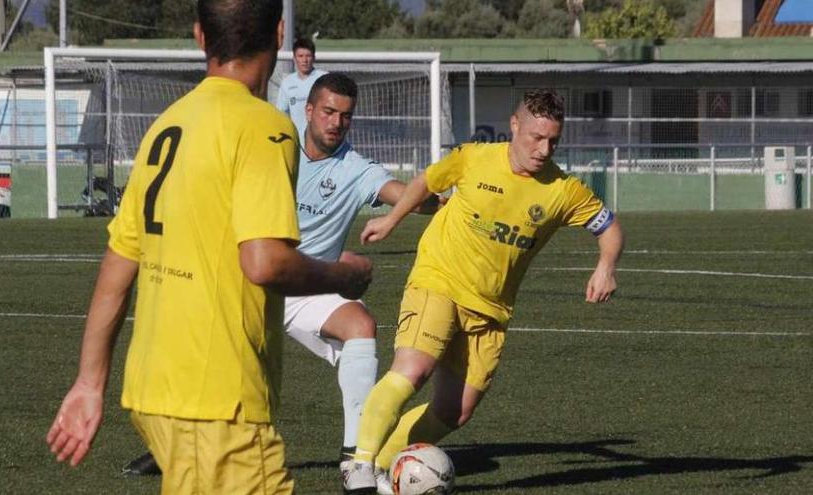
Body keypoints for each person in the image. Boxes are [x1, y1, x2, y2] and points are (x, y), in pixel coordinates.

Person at [45, 2, 372, 494]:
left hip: (153, 391)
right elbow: (263, 261)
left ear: (200, 36)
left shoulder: (166, 126)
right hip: (219, 398)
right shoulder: (263, 126)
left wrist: (90, 384)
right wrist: (343, 277)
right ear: (280, 34)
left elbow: (118, 263)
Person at [122, 72, 442, 484]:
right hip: (254, 278)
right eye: (328, 112)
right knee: (212, 370)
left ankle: (354, 459)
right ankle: (167, 449)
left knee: (360, 326)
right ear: (308, 110)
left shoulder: (357, 169)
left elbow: (409, 196)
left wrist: (444, 194)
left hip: (310, 285)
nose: (336, 123)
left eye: (345, 116)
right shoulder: (275, 145)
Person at [343, 89, 625, 494]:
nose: (543, 149)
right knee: (413, 369)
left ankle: (386, 467)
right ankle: (361, 467)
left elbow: (610, 228)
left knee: (455, 410)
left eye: (553, 141)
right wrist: (391, 220)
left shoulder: (563, 190)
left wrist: (605, 266)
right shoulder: (475, 157)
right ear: (515, 126)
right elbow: (427, 181)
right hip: (438, 280)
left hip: (491, 309)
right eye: (535, 137)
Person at [276, 37, 327, 135]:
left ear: (314, 57)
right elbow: (281, 112)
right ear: (294, 58)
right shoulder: (287, 82)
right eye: (300, 56)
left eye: (308, 56)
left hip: (320, 139)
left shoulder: (324, 78)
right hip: (297, 139)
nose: (305, 60)